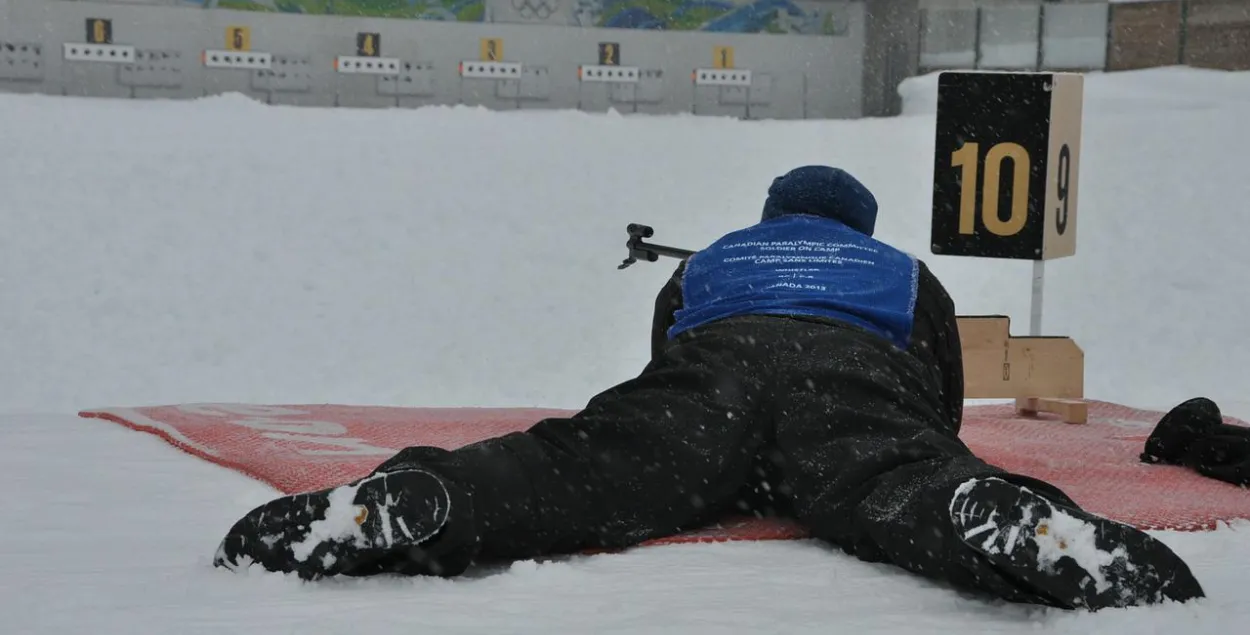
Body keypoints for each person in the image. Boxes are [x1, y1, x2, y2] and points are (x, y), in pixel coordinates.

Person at [214, 166, 1204, 611]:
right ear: (854, 225)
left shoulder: (720, 257)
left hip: (710, 383)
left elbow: (663, 360)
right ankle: (991, 516)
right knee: (903, 479)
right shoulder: (902, 270)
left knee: (575, 470)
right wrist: (916, 442)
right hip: (850, 385)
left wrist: (683, 434)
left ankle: (434, 499)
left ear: (772, 214)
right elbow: (934, 391)